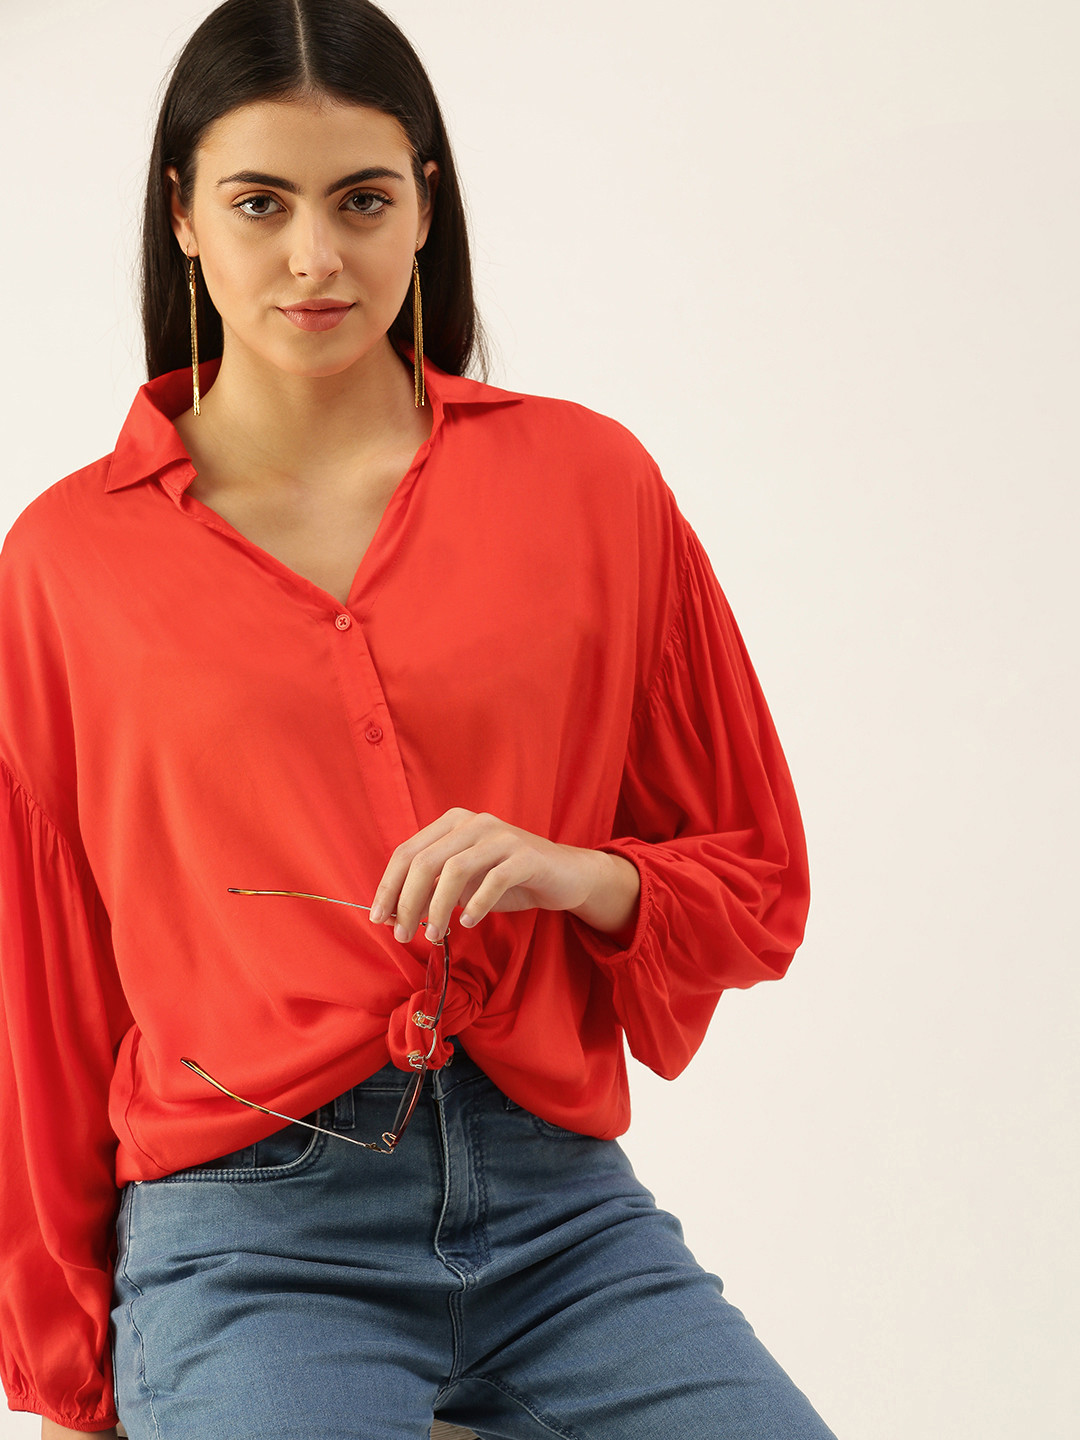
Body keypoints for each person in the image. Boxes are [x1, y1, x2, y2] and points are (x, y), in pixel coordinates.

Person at [0, 2, 836, 1436]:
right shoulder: (68, 562)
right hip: (249, 1238)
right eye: (260, 203)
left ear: (425, 205)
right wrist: (71, 1376)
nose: (315, 257)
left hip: (566, 1220)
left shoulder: (589, 484)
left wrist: (581, 873)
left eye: (362, 200)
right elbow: (43, 987)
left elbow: (756, 879)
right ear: (183, 214)